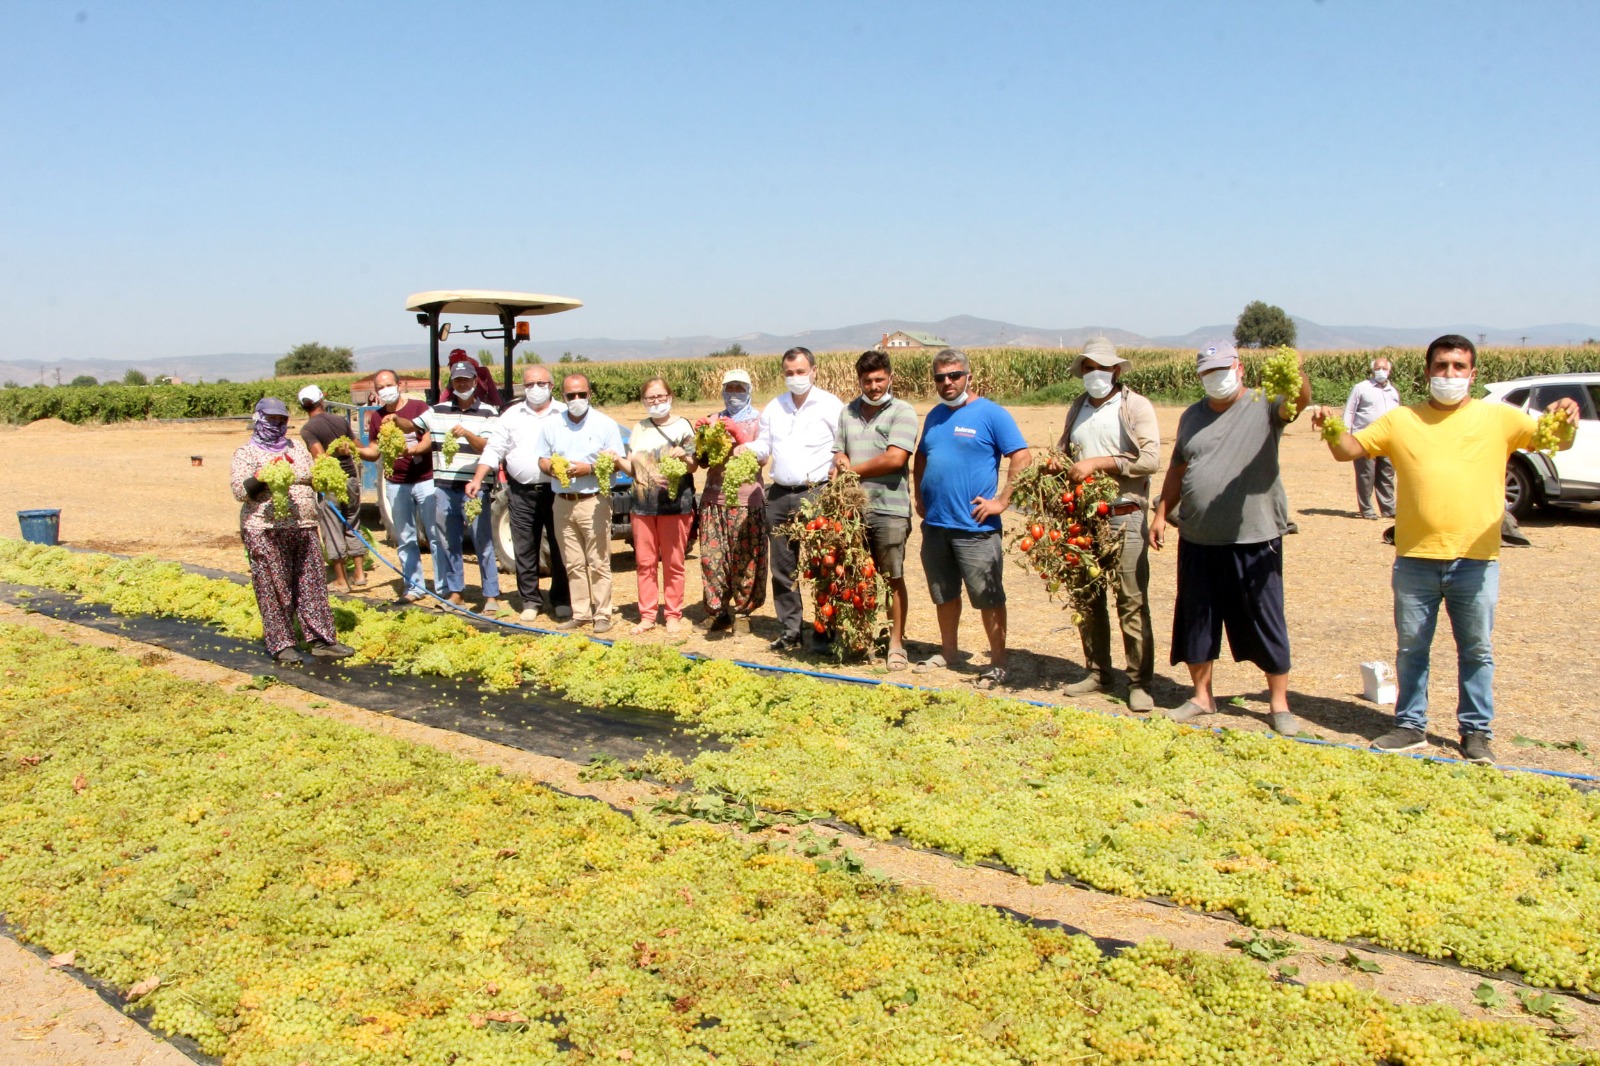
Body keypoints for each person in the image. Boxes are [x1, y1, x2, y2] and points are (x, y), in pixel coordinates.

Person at [1312, 334, 1581, 764]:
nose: (1449, 374)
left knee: (1476, 651)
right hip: (1415, 558)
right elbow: (1350, 450)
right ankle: (1409, 725)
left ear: (1473, 374)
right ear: (1427, 372)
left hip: (1476, 560)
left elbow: (1555, 441)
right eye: (1441, 366)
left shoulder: (1500, 418)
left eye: (1458, 367)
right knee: (1411, 649)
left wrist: (1567, 413)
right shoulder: (1402, 420)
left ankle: (1476, 732)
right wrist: (1330, 426)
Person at [1148, 340, 1311, 735]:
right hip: (1199, 536)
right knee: (1197, 619)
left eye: (1222, 369)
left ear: (1239, 368)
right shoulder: (1192, 416)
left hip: (1254, 536)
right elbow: (1178, 468)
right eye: (1208, 372)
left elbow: (1299, 401)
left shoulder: (1264, 405)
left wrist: (1297, 372)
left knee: (1265, 619)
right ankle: (1202, 696)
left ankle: (1278, 704)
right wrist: (1161, 513)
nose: (1215, 377)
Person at [911, 349, 1031, 688]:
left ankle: (998, 662)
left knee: (988, 596)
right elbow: (922, 457)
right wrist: (919, 494)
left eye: (954, 375)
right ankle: (949, 653)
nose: (947, 382)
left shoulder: (991, 414)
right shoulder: (935, 415)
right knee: (943, 592)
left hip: (975, 527)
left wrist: (1002, 502)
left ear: (969, 376)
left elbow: (1022, 456)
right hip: (937, 525)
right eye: (940, 377)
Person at [1051, 339, 1160, 711]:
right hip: (1083, 518)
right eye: (1088, 368)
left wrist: (1098, 463)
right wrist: (1057, 463)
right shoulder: (1078, 407)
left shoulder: (1135, 406)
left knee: (1131, 599)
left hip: (1124, 513)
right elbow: (1066, 452)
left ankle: (1139, 682)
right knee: (1088, 596)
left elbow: (1150, 459)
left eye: (1101, 367)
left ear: (1115, 370)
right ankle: (1098, 671)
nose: (1094, 374)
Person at [230, 398, 353, 664]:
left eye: (281, 420)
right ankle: (281, 643)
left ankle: (321, 640)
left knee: (312, 585)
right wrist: (262, 476)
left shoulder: (297, 447)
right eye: (271, 419)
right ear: (258, 419)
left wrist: (327, 470)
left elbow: (313, 477)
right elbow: (240, 491)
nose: (276, 424)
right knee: (275, 587)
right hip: (265, 530)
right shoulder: (246, 453)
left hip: (304, 526)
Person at [746, 347, 845, 652]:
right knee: (782, 567)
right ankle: (791, 629)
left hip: (816, 493)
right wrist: (746, 449)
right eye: (789, 373)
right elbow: (764, 445)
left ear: (814, 371)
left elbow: (843, 445)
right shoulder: (775, 407)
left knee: (822, 564)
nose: (795, 377)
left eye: (801, 372)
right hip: (779, 495)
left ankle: (825, 630)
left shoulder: (830, 405)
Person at [831, 350, 918, 670]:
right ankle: (861, 638)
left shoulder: (902, 412)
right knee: (856, 576)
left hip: (889, 509)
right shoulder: (847, 412)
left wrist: (851, 471)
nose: (874, 386)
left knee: (892, 578)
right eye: (867, 381)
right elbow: (839, 451)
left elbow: (895, 458)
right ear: (859, 381)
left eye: (880, 379)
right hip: (852, 511)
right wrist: (840, 460)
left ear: (890, 378)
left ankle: (896, 644)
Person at [469, 364, 571, 623]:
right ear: (523, 388)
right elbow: (494, 449)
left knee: (560, 546)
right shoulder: (511, 415)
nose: (535, 389)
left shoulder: (564, 413)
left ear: (551, 386)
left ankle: (561, 599)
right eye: (529, 385)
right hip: (521, 492)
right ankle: (530, 600)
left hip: (557, 491)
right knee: (524, 547)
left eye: (541, 384)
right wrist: (477, 478)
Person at [535, 373, 625, 633]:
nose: (576, 399)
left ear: (589, 394)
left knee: (598, 561)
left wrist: (589, 469)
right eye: (571, 395)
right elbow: (542, 459)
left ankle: (602, 614)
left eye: (581, 394)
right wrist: (551, 468)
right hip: (562, 502)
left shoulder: (605, 424)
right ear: (562, 396)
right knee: (572, 562)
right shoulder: (552, 425)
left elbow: (617, 463)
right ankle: (581, 613)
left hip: (593, 501)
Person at [413, 361, 501, 613]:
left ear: (475, 382)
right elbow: (414, 426)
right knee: (448, 542)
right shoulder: (436, 410)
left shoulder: (489, 412)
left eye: (466, 379)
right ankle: (455, 592)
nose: (462, 384)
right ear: (451, 383)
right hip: (444, 486)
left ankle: (491, 595)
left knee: (482, 541)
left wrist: (467, 434)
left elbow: (487, 447)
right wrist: (396, 420)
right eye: (457, 380)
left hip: (475, 486)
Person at [616, 378, 697, 634]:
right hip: (642, 506)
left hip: (675, 505)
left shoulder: (683, 426)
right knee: (645, 563)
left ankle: (673, 614)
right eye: (651, 397)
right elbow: (633, 469)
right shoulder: (639, 428)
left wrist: (684, 456)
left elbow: (693, 466)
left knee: (674, 563)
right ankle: (648, 615)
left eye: (661, 396)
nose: (656, 401)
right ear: (643, 401)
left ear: (670, 397)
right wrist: (616, 460)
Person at [355, 369, 441, 605]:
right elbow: (374, 451)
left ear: (400, 385)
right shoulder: (377, 417)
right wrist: (355, 449)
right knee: (405, 537)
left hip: (425, 479)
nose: (385, 390)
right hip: (396, 483)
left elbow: (429, 439)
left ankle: (444, 587)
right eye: (380, 387)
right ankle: (414, 587)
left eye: (388, 385)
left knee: (436, 535)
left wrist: (410, 450)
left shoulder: (418, 408)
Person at [696, 368, 769, 635]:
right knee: (712, 561)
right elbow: (704, 462)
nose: (734, 393)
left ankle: (742, 614)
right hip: (714, 500)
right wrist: (701, 437)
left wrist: (739, 435)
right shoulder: (714, 419)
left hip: (747, 501)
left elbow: (762, 458)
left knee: (746, 560)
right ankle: (717, 612)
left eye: (740, 388)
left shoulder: (760, 420)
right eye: (730, 388)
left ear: (749, 391)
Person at [297, 384, 367, 593]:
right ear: (322, 400)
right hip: (351, 479)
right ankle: (360, 574)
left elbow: (320, 457)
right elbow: (359, 447)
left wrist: (333, 452)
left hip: (331, 483)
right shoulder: (340, 420)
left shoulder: (308, 429)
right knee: (353, 523)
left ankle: (341, 580)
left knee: (332, 528)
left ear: (303, 406)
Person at [1343, 355, 1401, 519]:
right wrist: (1347, 434)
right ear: (1372, 370)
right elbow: (1349, 411)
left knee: (1387, 474)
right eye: (1377, 368)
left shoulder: (1393, 391)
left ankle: (1388, 509)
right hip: (1364, 438)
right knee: (1366, 474)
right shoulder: (1361, 388)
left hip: (1387, 439)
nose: (1381, 371)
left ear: (1389, 371)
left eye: (1384, 368)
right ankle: (1367, 509)